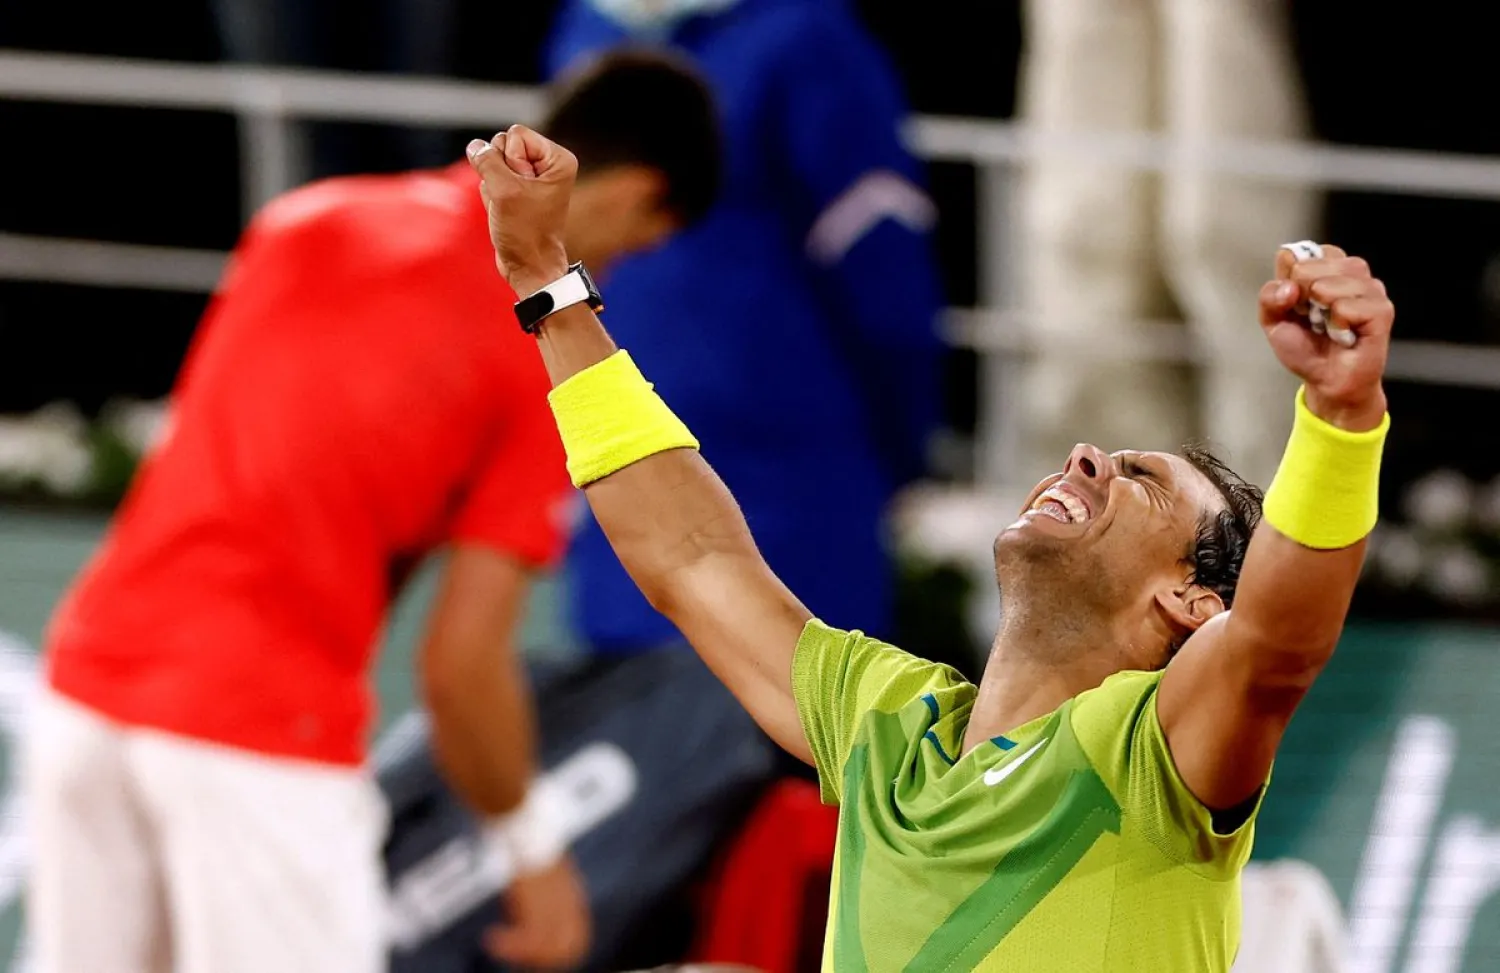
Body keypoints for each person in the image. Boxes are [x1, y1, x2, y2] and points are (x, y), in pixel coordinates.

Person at [466, 124, 1393, 970]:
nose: (1080, 458)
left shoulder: (1156, 752)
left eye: (1142, 480)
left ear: (1192, 603)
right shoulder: (888, 722)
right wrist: (545, 280)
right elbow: (693, 556)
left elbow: (1279, 640)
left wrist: (1340, 419)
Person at [24, 54, 720, 973]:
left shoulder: (306, 217)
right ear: (633, 189)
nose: (618, 266)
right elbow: (462, 664)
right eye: (637, 238)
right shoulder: (535, 356)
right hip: (261, 735)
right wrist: (533, 851)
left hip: (85, 692)